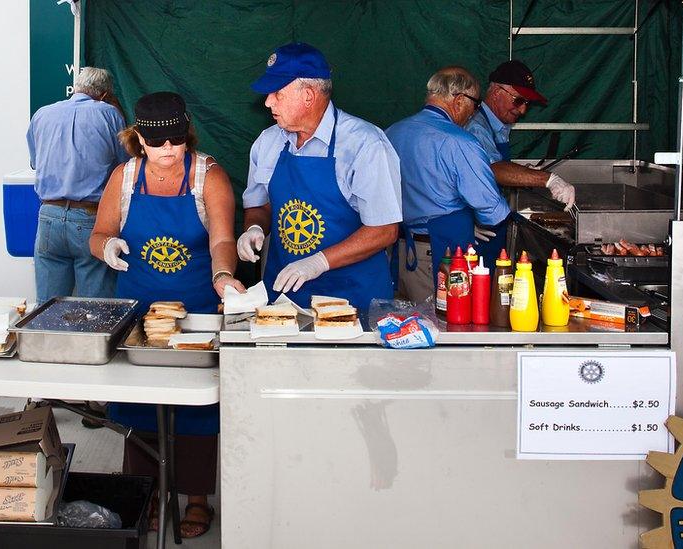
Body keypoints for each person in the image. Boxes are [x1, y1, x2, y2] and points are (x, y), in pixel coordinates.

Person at [90, 92, 243, 538]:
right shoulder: (125, 176)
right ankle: (147, 492)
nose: (168, 151)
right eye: (157, 143)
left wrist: (222, 275)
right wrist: (107, 248)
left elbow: (220, 238)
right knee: (138, 405)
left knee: (195, 408)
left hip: (195, 313)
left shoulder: (207, 176)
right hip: (139, 317)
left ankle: (196, 498)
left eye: (176, 141)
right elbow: (99, 233)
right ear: (139, 138)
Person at [237, 42, 402, 310]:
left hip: (352, 301)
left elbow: (384, 230)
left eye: (277, 93)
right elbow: (260, 204)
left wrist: (317, 262)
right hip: (283, 301)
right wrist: (254, 228)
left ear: (309, 96)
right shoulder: (267, 142)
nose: (268, 102)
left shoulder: (365, 145)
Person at [386, 67, 510, 302]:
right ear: (460, 100)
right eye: (475, 105)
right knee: (445, 328)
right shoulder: (460, 141)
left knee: (407, 326)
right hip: (440, 256)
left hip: (399, 252)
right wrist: (464, 220)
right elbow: (493, 212)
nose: (474, 112)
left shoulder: (392, 132)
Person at [27, 67, 129, 304]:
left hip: (48, 216)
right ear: (105, 95)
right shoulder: (109, 114)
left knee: (47, 310)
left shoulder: (42, 114)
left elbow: (35, 162)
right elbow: (125, 165)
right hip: (90, 218)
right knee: (95, 311)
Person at [464, 60, 576, 257]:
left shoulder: (498, 126)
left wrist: (522, 172)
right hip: (477, 232)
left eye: (527, 103)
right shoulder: (478, 127)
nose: (523, 110)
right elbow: (492, 169)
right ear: (497, 92)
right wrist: (547, 179)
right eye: (518, 101)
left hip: (491, 225)